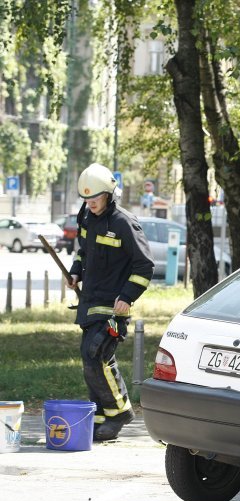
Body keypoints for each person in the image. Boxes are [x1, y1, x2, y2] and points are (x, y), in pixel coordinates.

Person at [68, 163, 155, 441]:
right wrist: (75, 271)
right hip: (89, 303)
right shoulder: (88, 220)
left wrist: (127, 297)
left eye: (95, 198)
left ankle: (119, 412)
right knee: (90, 359)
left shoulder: (123, 223)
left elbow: (144, 266)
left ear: (109, 194)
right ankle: (102, 418)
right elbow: (84, 252)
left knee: (97, 357)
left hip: (111, 306)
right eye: (86, 199)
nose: (90, 203)